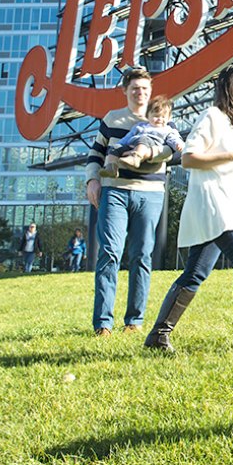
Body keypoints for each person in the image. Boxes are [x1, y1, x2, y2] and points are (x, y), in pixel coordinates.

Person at [145, 64, 233, 353]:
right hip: (213, 203)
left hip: (229, 206)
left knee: (195, 272)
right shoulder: (213, 116)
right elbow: (189, 158)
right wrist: (231, 155)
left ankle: (158, 336)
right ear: (226, 88)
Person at [85, 67, 176, 337]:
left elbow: (172, 151)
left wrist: (147, 151)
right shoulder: (113, 119)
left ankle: (134, 321)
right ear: (125, 91)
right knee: (110, 253)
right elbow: (96, 153)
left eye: (145, 89)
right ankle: (103, 323)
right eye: (135, 88)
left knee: (142, 255)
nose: (140, 93)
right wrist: (92, 180)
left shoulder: (163, 120)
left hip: (150, 195)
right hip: (115, 192)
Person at [99, 97, 184, 178]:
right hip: (132, 144)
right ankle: (111, 167)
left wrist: (178, 144)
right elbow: (129, 136)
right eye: (156, 116)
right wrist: (119, 145)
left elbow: (173, 139)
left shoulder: (167, 129)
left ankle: (136, 158)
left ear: (169, 118)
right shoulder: (140, 126)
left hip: (151, 144)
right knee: (114, 148)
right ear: (148, 116)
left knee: (143, 138)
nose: (159, 119)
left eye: (163, 117)